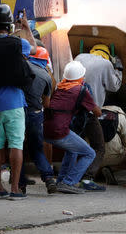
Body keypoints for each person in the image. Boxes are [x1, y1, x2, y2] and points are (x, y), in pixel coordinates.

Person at [0, 4, 37, 201]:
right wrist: (25, 28)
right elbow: (35, 48)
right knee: (16, 145)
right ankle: (14, 188)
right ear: (9, 25)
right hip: (14, 103)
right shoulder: (18, 44)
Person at [44, 61, 100, 194]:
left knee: (73, 150)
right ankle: (69, 182)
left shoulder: (60, 87)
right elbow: (97, 112)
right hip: (59, 131)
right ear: (81, 77)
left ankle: (61, 181)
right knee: (89, 153)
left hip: (46, 128)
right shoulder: (81, 90)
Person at [73, 44, 123, 191]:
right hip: (90, 111)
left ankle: (70, 177)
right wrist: (119, 69)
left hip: (72, 109)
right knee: (99, 147)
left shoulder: (79, 57)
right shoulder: (106, 63)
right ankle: (87, 179)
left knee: (75, 144)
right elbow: (114, 86)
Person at [18, 46, 57, 194]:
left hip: (18, 112)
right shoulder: (47, 77)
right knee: (37, 149)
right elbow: (46, 104)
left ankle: (20, 185)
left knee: (17, 147)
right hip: (35, 114)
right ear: (45, 61)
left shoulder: (23, 67)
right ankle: (48, 178)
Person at [99, 105, 126, 185]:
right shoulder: (120, 116)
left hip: (92, 157)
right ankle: (111, 168)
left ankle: (95, 174)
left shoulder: (94, 113)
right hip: (112, 156)